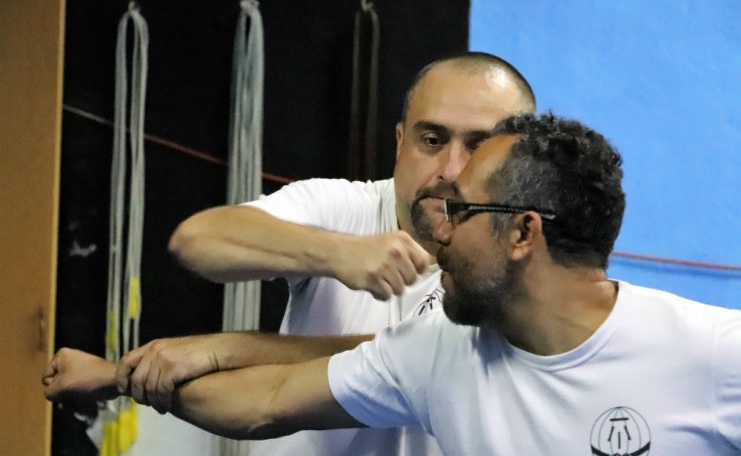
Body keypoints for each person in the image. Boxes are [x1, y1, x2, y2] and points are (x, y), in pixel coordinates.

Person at [45, 113, 741, 454]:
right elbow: (262, 403)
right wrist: (125, 376)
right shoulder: (440, 351)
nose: (442, 231)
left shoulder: (713, 354)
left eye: (462, 211)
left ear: (523, 233)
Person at [121, 52, 536, 455]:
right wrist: (335, 252)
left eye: (478, 147)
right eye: (431, 140)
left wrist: (227, 351)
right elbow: (198, 240)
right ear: (400, 142)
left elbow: (408, 361)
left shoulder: (536, 262)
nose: (451, 169)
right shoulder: (343, 207)